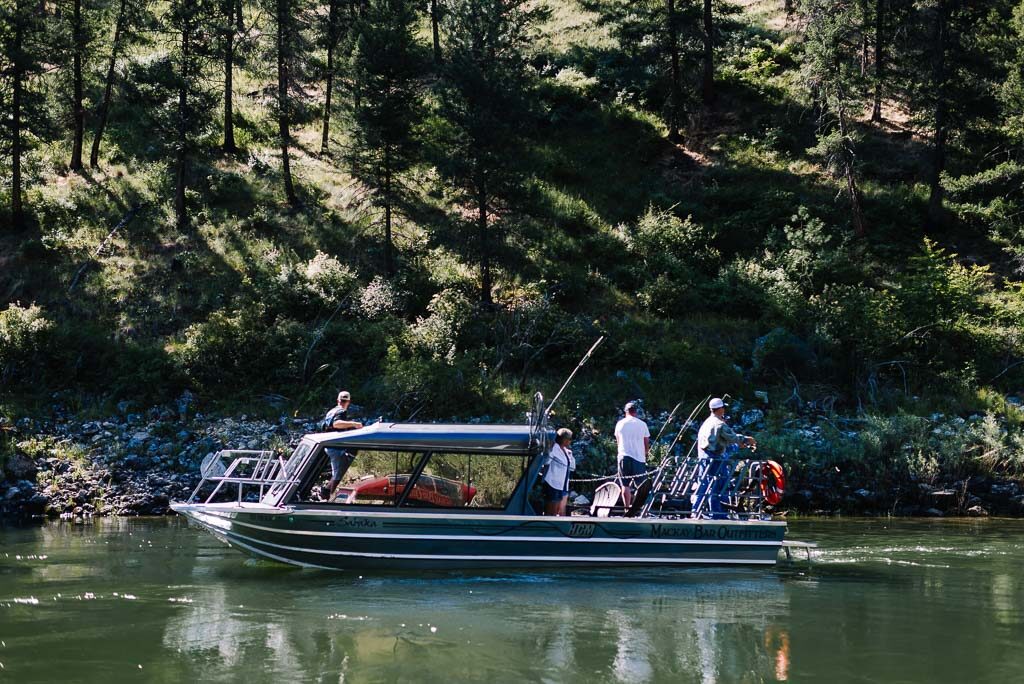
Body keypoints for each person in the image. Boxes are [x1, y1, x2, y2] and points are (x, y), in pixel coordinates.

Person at [693, 397, 756, 518]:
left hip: (703, 458)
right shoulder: (719, 423)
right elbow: (731, 436)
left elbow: (717, 439)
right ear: (720, 409)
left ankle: (695, 511)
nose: (724, 410)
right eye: (723, 407)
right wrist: (747, 439)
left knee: (704, 484)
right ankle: (717, 514)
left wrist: (736, 444)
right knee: (718, 486)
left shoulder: (706, 423)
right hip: (714, 459)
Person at [322, 391, 363, 500]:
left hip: (328, 444)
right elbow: (336, 424)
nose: (344, 402)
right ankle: (331, 498)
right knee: (339, 474)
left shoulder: (331, 411)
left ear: (338, 400)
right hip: (334, 447)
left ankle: (326, 490)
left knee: (338, 470)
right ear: (348, 402)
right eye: (345, 401)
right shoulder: (341, 411)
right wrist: (354, 424)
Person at [614, 401, 650, 508]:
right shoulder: (642, 424)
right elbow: (646, 441)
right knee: (641, 486)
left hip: (623, 456)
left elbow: (618, 440)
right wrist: (645, 453)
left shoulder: (620, 423)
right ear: (636, 412)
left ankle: (627, 508)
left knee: (625, 485)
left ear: (626, 411)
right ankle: (639, 508)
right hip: (639, 458)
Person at [542, 428, 575, 516]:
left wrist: (570, 455)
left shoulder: (567, 451)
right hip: (553, 484)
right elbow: (546, 462)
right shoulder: (554, 448)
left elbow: (572, 467)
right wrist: (549, 451)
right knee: (551, 511)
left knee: (561, 511)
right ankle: (548, 526)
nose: (570, 441)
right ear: (563, 439)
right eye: (569, 439)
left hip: (563, 484)